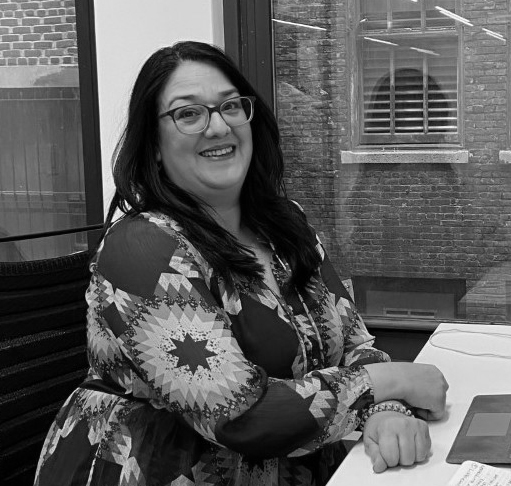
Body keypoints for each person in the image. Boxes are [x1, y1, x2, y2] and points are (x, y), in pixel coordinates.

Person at [34, 41, 448, 486]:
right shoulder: (142, 249)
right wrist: (388, 384)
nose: (218, 127)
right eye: (188, 114)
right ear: (153, 145)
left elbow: (353, 340)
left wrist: (386, 411)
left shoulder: (285, 225)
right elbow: (241, 417)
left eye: (230, 106)